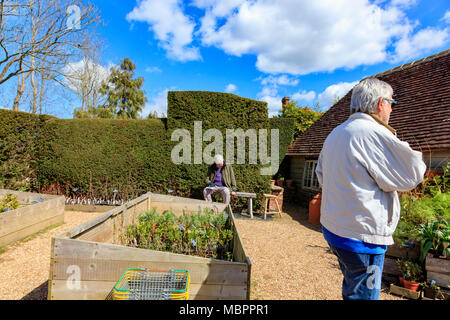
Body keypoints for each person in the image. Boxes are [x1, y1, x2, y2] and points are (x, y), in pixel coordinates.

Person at [315, 78, 426, 300]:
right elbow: (413, 174)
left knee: (353, 288)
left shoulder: (336, 133)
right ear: (380, 104)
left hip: (336, 230)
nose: (392, 109)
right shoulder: (372, 133)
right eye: (391, 103)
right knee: (364, 296)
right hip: (363, 237)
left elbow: (321, 175)